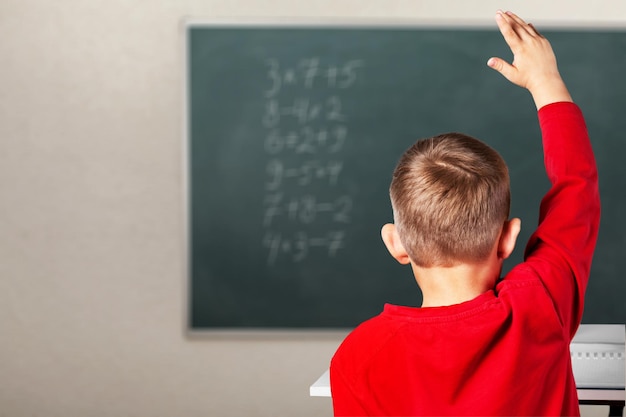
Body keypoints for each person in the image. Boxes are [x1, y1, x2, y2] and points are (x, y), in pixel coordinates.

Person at [330, 10, 601, 417]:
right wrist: (546, 82)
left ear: (395, 242)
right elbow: (576, 190)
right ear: (509, 238)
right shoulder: (539, 304)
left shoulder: (359, 356)